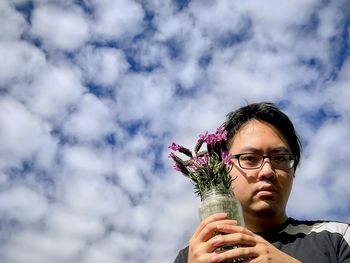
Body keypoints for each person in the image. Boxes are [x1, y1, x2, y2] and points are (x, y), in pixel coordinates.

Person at [174, 102, 350, 263]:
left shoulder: (338, 237)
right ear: (223, 167)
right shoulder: (192, 256)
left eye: (280, 158)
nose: (267, 171)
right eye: (250, 158)